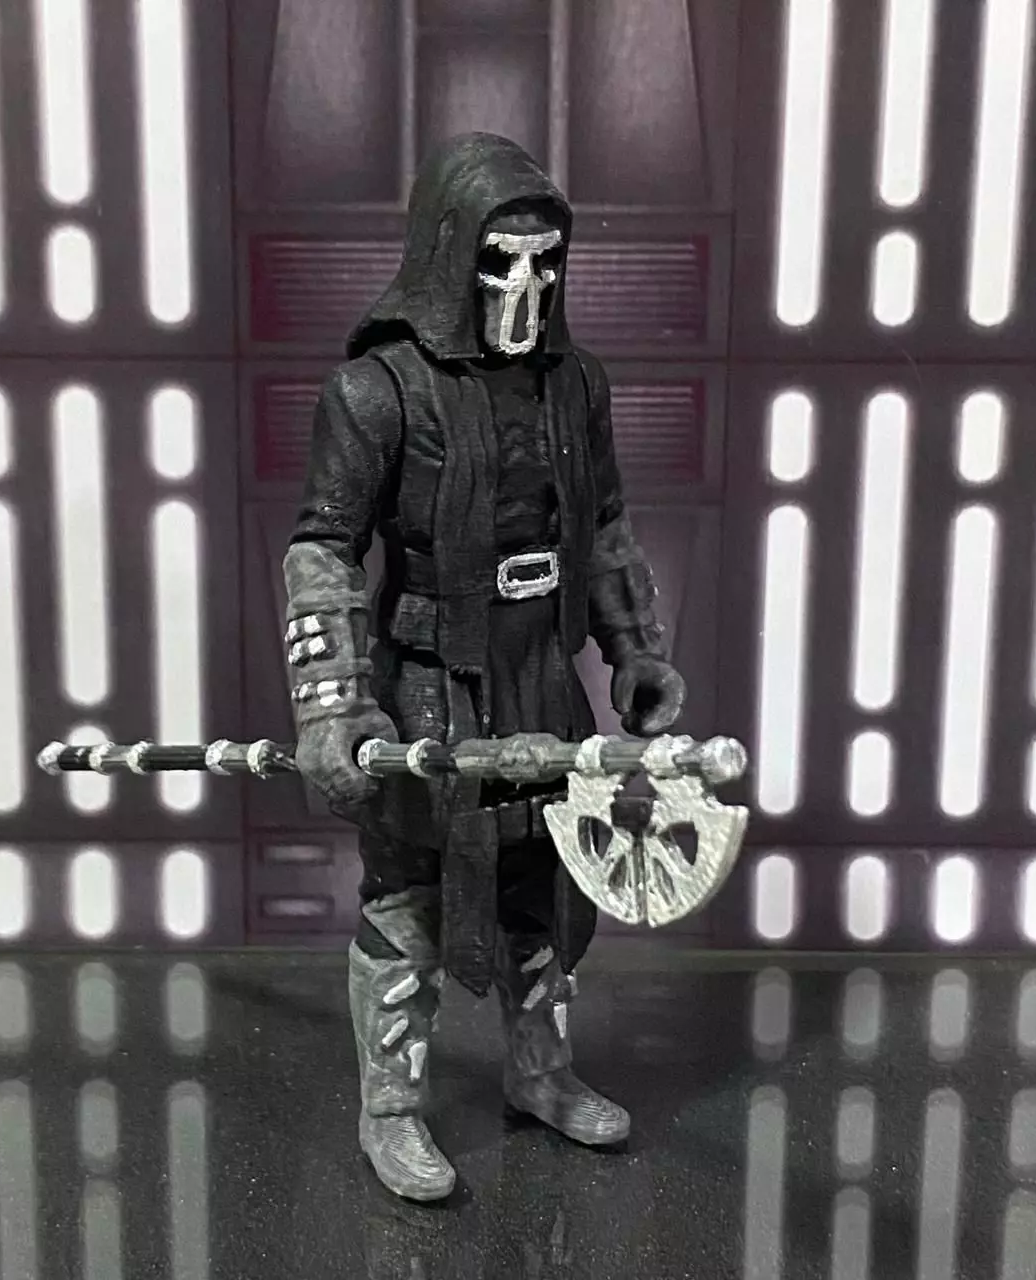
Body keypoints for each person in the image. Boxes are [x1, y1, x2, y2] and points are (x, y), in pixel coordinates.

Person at [281, 132, 685, 1202]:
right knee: (408, 898)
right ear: (448, 255)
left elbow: (602, 527)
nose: (524, 287)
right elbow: (322, 547)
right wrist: (333, 704)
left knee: (541, 890)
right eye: (500, 262)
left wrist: (635, 651)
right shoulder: (376, 391)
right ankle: (391, 1107)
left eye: (545, 263)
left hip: (541, 680)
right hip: (426, 689)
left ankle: (538, 1069)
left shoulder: (575, 386)